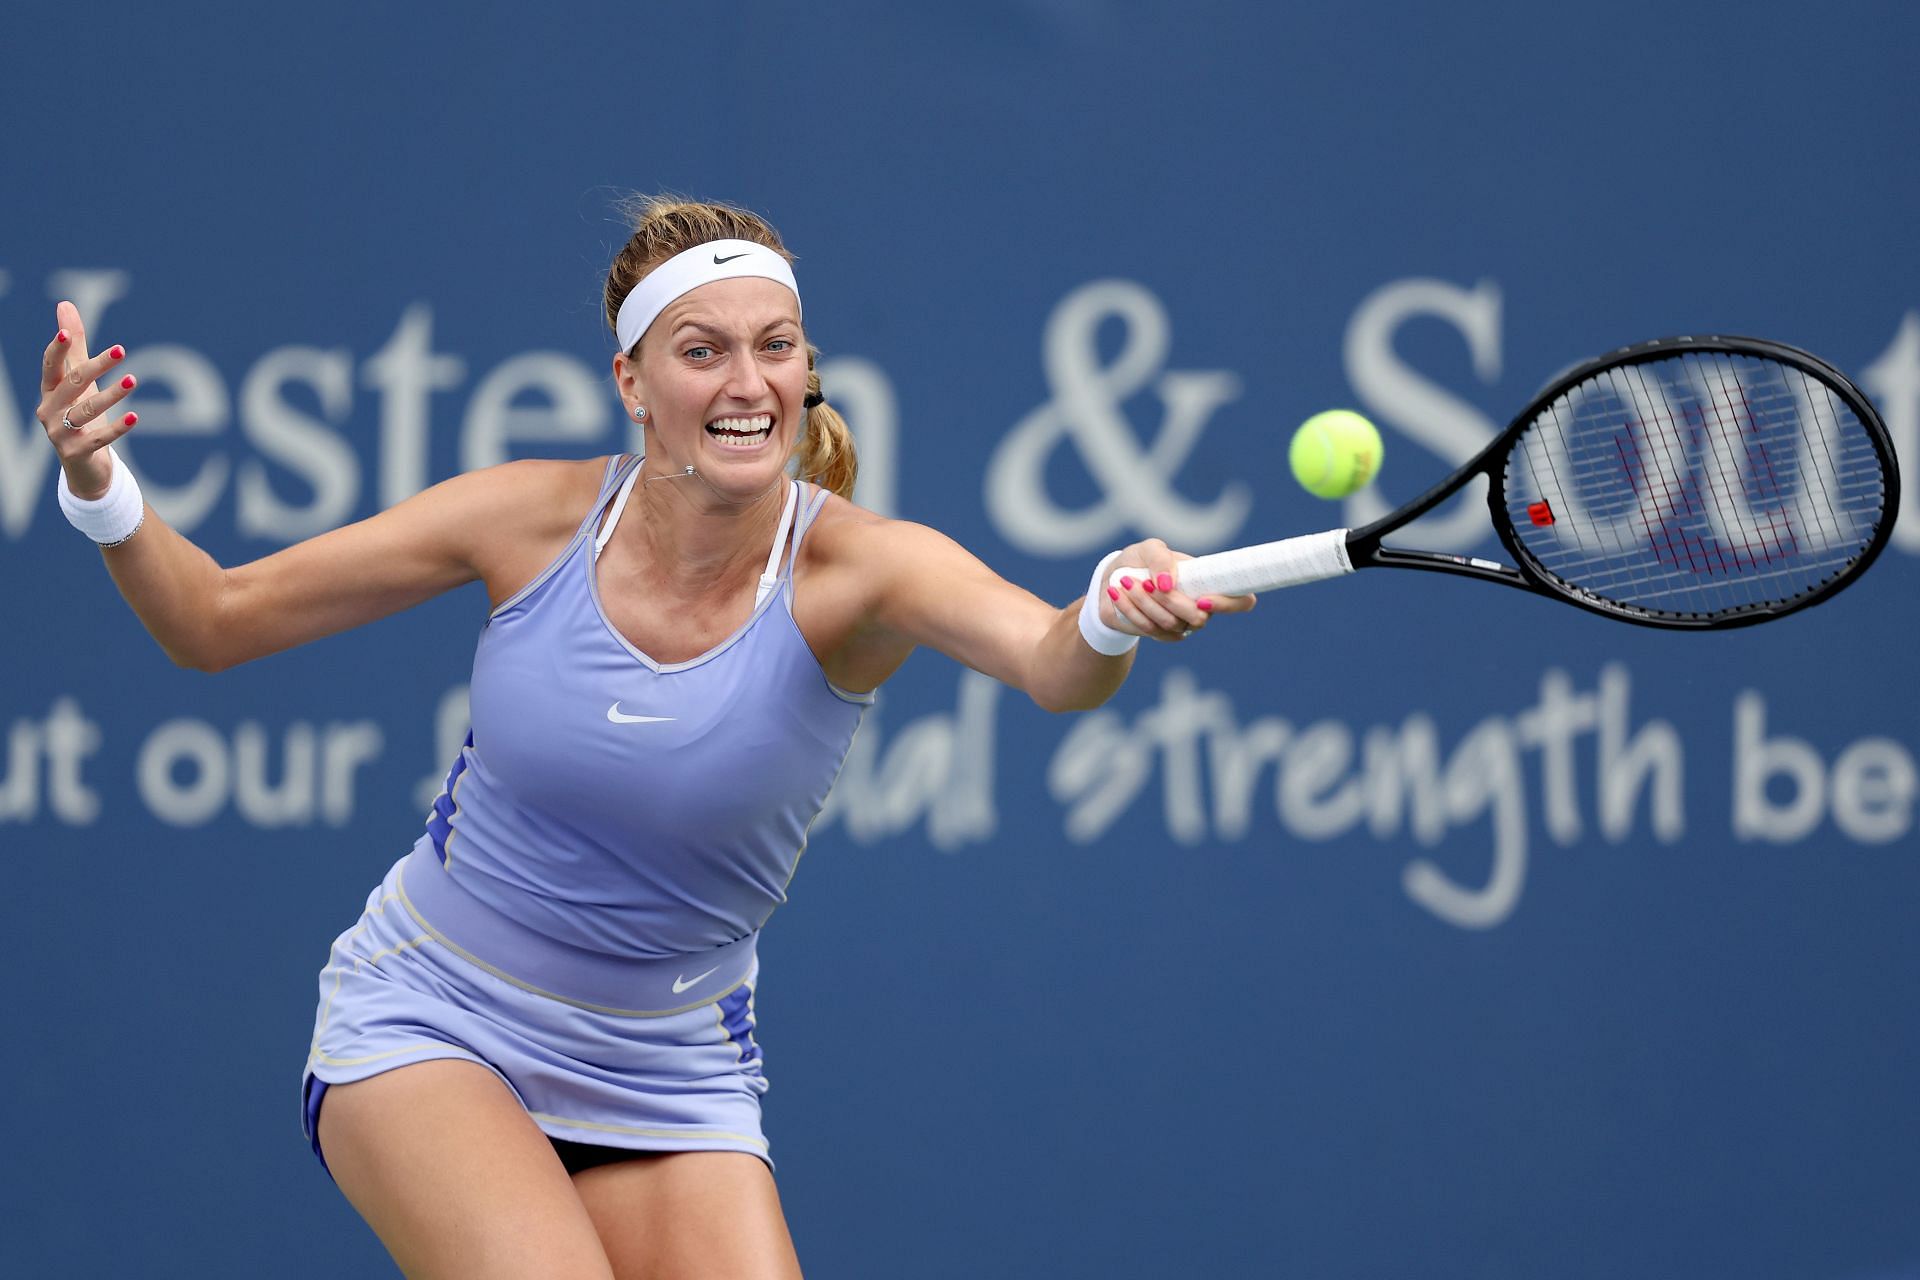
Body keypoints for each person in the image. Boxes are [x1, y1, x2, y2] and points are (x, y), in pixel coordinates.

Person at [37, 196, 1252, 1279]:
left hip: (668, 1067)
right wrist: (102, 485)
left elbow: (1052, 666)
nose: (747, 381)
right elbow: (212, 619)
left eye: (775, 347)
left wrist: (1104, 612)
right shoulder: (526, 516)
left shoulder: (858, 571)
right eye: (702, 349)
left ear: (807, 370)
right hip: (433, 1011)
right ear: (632, 382)